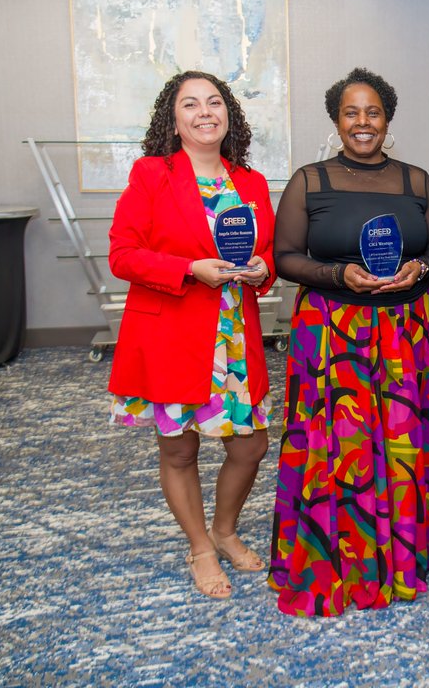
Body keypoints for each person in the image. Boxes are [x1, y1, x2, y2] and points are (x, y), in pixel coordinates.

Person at [269, 67, 429, 617]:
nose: (362, 122)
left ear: (388, 118)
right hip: (331, 333)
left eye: (372, 111)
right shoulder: (310, 180)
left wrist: (420, 266)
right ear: (336, 119)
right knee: (338, 450)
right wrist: (338, 275)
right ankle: (339, 564)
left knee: (403, 447)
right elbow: (286, 257)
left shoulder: (416, 181)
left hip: (407, 332)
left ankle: (404, 559)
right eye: (351, 112)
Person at [108, 70, 276, 600]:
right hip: (172, 335)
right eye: (190, 104)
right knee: (179, 451)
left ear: (229, 114)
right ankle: (200, 544)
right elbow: (123, 254)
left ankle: (225, 529)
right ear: (173, 119)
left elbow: (267, 255)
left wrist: (259, 271)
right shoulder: (151, 174)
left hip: (232, 338)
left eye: (214, 102)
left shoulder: (249, 182)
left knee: (251, 447)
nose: (205, 112)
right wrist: (188, 269)